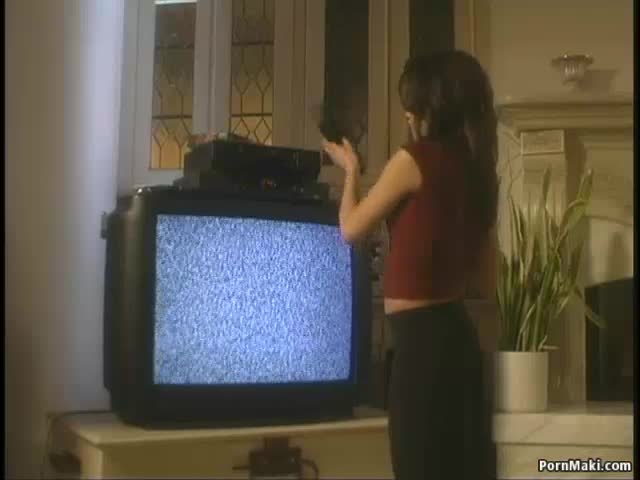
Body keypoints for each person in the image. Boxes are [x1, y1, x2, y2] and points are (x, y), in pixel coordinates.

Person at [322, 50, 498, 480]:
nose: (407, 114)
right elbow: (485, 269)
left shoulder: (415, 159)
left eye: (413, 105)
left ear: (432, 108)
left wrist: (351, 170)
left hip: (422, 346)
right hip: (458, 338)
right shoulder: (477, 167)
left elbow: (351, 229)